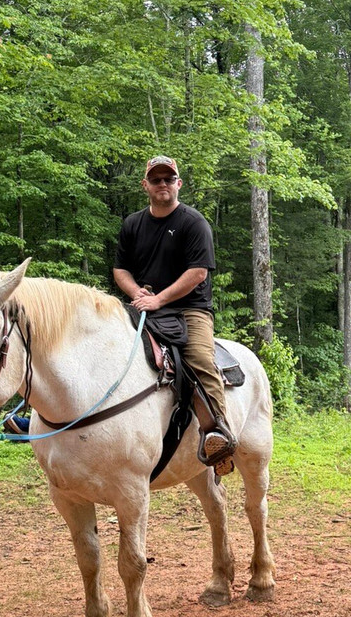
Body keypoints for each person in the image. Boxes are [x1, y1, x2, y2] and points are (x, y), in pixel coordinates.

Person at [113, 155, 237, 476]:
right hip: (143, 305)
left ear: (179, 183)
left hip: (189, 309)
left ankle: (218, 434)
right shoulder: (132, 224)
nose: (163, 184)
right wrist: (137, 293)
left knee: (199, 359)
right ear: (145, 185)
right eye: (156, 179)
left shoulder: (193, 223)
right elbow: (120, 270)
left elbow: (198, 273)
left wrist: (159, 299)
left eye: (169, 179)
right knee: (104, 344)